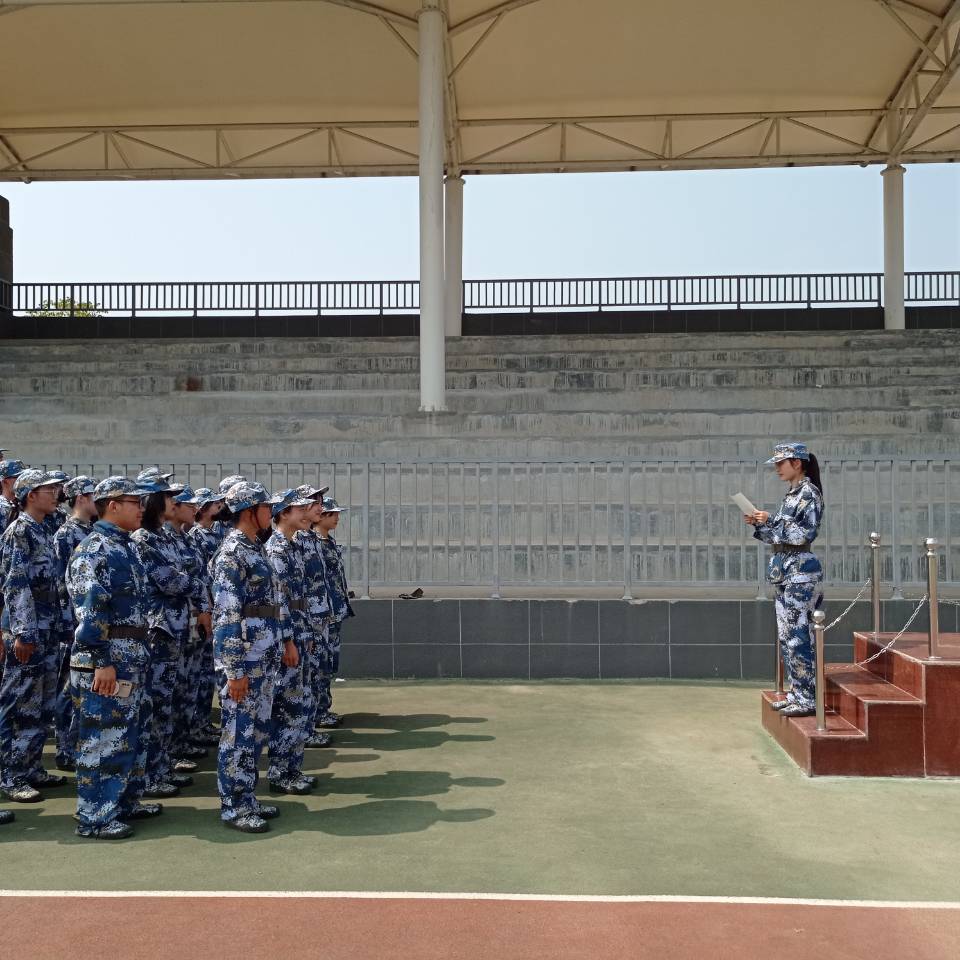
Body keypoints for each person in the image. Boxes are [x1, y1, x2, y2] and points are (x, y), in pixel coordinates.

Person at [67, 476, 161, 839]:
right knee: (101, 739)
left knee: (129, 736)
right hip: (107, 661)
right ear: (113, 505)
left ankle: (123, 803)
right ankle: (94, 816)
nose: (141, 509)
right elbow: (90, 611)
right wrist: (101, 661)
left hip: (131, 657)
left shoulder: (126, 547)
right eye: (135, 502)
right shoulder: (94, 550)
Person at [211, 480, 284, 833]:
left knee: (255, 732)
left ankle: (248, 797)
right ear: (249, 512)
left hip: (262, 655)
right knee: (238, 733)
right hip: (244, 660)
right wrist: (234, 670)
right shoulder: (232, 553)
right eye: (266, 507)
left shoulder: (255, 547)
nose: (271, 512)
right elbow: (227, 616)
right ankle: (234, 806)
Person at [0, 469, 68, 802]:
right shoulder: (19, 531)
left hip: (48, 629)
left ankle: (31, 767)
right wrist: (24, 633)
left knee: (42, 703)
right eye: (48, 490)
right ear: (30, 495)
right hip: (28, 632)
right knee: (20, 704)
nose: (55, 495)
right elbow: (15, 584)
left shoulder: (44, 529)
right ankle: (11, 775)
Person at [745, 441, 825, 718]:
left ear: (797, 463)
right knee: (787, 637)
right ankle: (796, 693)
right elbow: (780, 537)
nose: (778, 468)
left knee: (799, 637)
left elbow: (804, 535)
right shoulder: (792, 495)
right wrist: (761, 524)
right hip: (786, 572)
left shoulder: (809, 493)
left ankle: (807, 698)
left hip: (801, 573)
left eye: (781, 463)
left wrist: (772, 520)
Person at [131, 469, 197, 798]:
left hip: (175, 628)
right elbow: (172, 581)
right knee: (155, 705)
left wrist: (189, 581)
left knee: (166, 703)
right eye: (167, 496)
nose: (173, 500)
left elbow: (187, 572)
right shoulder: (143, 540)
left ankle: (161, 766)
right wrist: (192, 583)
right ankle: (149, 775)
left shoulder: (165, 537)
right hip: (158, 630)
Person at [264, 488, 317, 795]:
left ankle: (292, 768)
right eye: (299, 509)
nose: (306, 512)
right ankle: (280, 772)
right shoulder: (276, 550)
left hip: (300, 632)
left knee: (300, 704)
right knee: (288, 706)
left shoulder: (293, 546)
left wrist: (305, 635)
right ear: (283, 513)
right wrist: (288, 642)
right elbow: (279, 601)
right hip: (289, 637)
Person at [51, 474, 99, 771]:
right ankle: (66, 749)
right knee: (69, 691)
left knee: (82, 690)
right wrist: (69, 626)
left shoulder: (91, 531)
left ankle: (78, 744)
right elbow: (61, 585)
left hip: (86, 624)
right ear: (81, 498)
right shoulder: (66, 535)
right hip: (72, 626)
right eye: (94, 496)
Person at [292, 484, 333, 749]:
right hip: (303, 620)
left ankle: (309, 726)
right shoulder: (294, 540)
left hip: (317, 617)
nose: (320, 507)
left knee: (315, 673)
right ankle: (302, 731)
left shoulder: (310, 538)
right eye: (315, 502)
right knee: (304, 678)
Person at [186, 487, 226, 743]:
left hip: (214, 607)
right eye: (213, 504)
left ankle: (202, 723)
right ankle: (195, 725)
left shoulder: (217, 533)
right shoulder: (195, 536)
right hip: (201, 610)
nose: (218, 507)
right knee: (197, 674)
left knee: (207, 673)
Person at [314, 495, 355, 728]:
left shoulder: (328, 542)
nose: (337, 518)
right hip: (323, 613)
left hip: (334, 611)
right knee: (320, 664)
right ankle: (318, 711)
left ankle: (323, 707)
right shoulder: (314, 544)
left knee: (329, 662)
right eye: (333, 514)